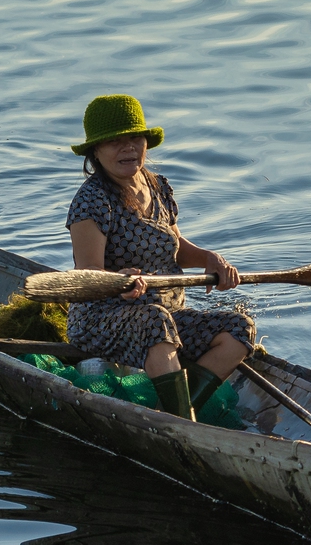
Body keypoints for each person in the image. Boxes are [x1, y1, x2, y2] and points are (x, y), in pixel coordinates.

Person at [64, 94, 256, 421]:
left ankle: (176, 414)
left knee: (238, 330)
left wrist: (210, 258)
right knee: (156, 321)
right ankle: (181, 423)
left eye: (134, 138)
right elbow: (88, 275)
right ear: (96, 150)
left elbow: (174, 245)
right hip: (102, 318)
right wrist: (118, 283)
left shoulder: (159, 187)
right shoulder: (90, 202)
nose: (128, 148)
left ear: (145, 142)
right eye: (114, 142)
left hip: (164, 313)